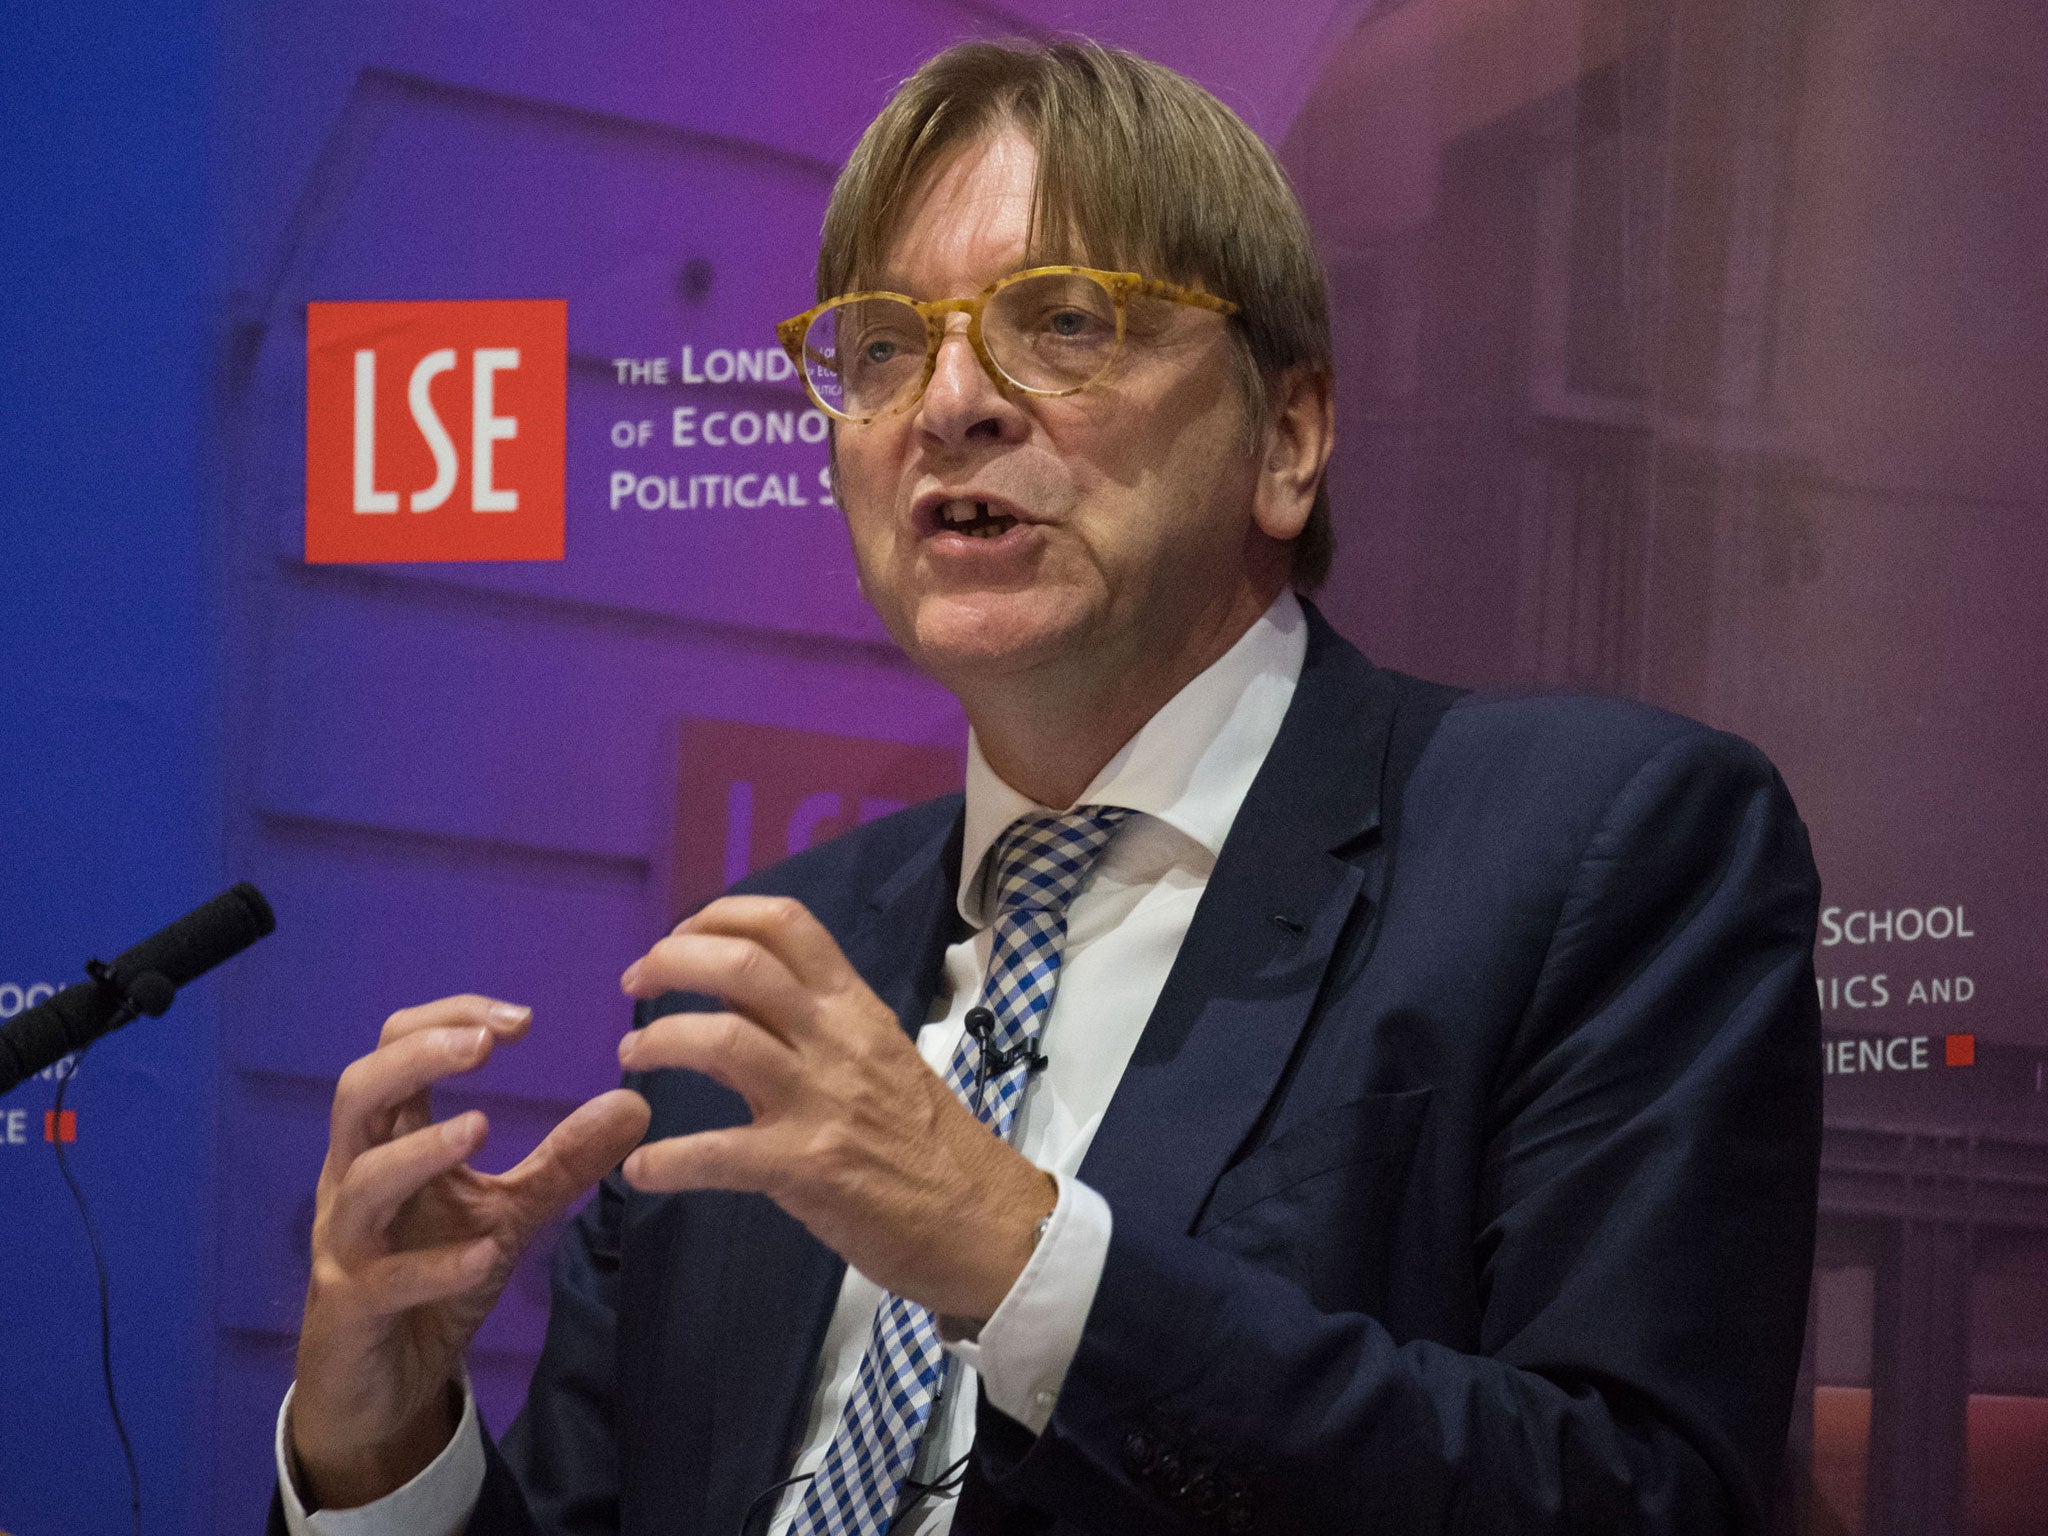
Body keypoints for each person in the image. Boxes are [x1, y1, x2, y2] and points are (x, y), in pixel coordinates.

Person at [272, 39, 1822, 1536]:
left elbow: (1641, 1497)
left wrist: (1014, 1256)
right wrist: (381, 1450)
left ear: (1289, 437)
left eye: (1065, 322)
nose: (951, 403)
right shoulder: (767, 966)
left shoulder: (1595, 847)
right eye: (884, 348)